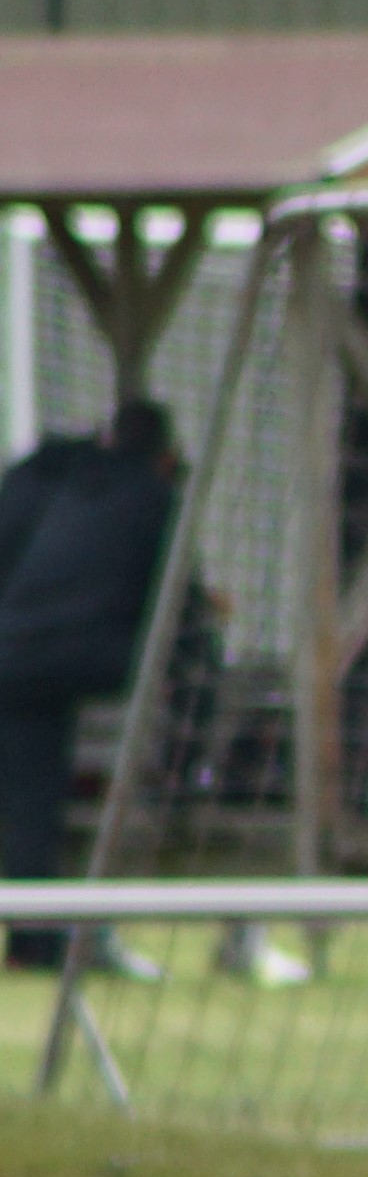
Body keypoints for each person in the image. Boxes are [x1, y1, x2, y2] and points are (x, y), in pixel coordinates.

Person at [0, 400, 178, 972]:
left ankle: (34, 942)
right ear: (164, 456)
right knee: (34, 801)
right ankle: (183, 775)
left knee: (30, 803)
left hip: (15, 654)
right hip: (80, 658)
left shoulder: (51, 481)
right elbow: (177, 600)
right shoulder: (151, 499)